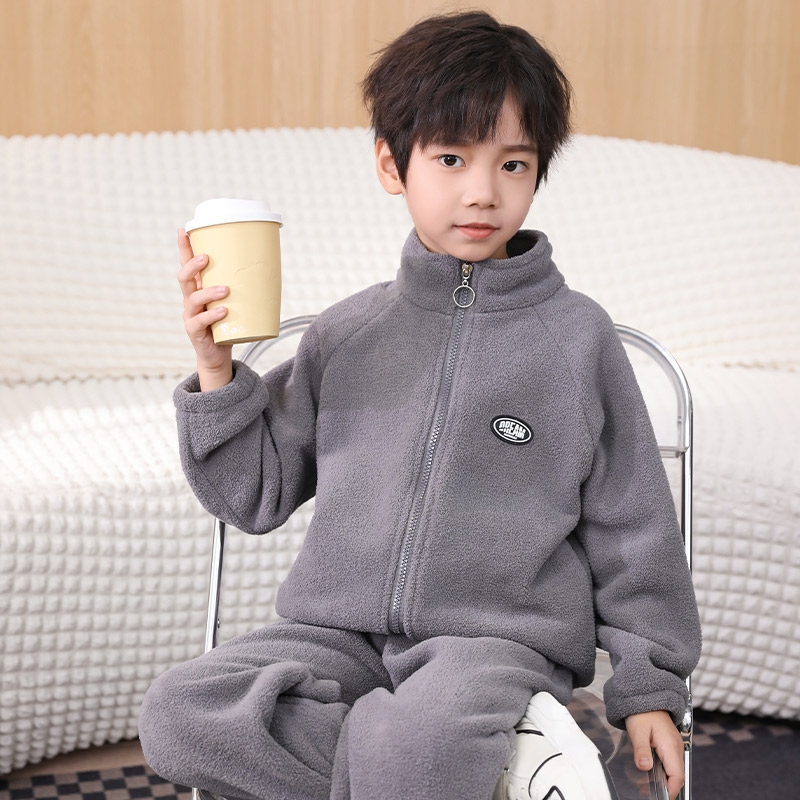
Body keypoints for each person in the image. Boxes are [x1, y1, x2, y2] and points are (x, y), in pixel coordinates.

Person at [138, 11, 701, 800]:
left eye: (513, 164)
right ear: (391, 165)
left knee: (422, 740)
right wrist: (214, 371)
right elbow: (251, 496)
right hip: (336, 634)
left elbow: (635, 529)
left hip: (491, 644)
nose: (483, 192)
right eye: (451, 158)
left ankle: (435, 758)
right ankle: (489, 769)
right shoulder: (348, 334)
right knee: (180, 714)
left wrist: (650, 689)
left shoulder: (577, 340)